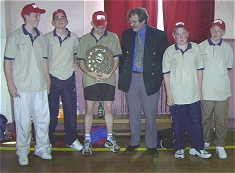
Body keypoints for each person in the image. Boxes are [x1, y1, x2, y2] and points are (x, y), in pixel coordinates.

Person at [4, 3, 52, 166]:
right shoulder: (15, 37)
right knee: (23, 123)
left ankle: (42, 148)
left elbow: (44, 61)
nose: (38, 18)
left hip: (40, 86)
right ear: (26, 16)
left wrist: (48, 80)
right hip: (22, 88)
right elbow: (8, 62)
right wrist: (11, 84)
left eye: (39, 15)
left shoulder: (42, 37)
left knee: (43, 121)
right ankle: (23, 152)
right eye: (35, 15)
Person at [118, 7, 168, 157]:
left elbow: (163, 60)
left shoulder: (158, 35)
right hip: (131, 78)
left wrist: (159, 80)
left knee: (150, 114)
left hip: (150, 79)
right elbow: (123, 58)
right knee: (133, 113)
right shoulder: (126, 35)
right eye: (130, 21)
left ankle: (151, 145)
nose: (131, 24)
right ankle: (134, 142)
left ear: (143, 21)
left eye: (134, 22)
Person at [162, 22, 212, 159]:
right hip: (177, 96)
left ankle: (197, 148)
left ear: (188, 34)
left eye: (183, 33)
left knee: (196, 124)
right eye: (177, 34)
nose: (181, 37)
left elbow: (200, 71)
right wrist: (168, 94)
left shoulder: (196, 49)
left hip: (193, 95)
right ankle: (179, 148)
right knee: (178, 125)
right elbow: (165, 74)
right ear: (173, 36)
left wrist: (200, 91)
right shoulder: (169, 51)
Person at [77, 11, 122, 156]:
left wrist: (110, 73)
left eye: (102, 26)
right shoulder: (84, 39)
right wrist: (89, 73)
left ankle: (109, 138)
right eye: (97, 26)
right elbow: (81, 61)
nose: (100, 29)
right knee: (89, 110)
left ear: (106, 23)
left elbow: (116, 59)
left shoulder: (113, 37)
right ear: (92, 24)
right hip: (90, 79)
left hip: (108, 79)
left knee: (108, 109)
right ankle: (88, 140)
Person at [45, 9, 83, 150]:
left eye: (62, 18)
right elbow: (43, 59)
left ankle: (71, 139)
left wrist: (75, 62)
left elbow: (76, 54)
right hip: (52, 78)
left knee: (71, 111)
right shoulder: (47, 38)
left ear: (67, 21)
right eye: (57, 18)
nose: (60, 20)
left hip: (68, 78)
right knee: (51, 111)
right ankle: (48, 140)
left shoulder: (73, 37)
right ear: (53, 22)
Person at [199, 19, 234, 159]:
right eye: (213, 29)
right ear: (210, 30)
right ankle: (205, 141)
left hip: (222, 91)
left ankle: (220, 144)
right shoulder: (201, 47)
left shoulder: (227, 48)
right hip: (206, 91)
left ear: (224, 32)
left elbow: (228, 67)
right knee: (204, 119)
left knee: (221, 120)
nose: (215, 32)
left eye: (218, 30)